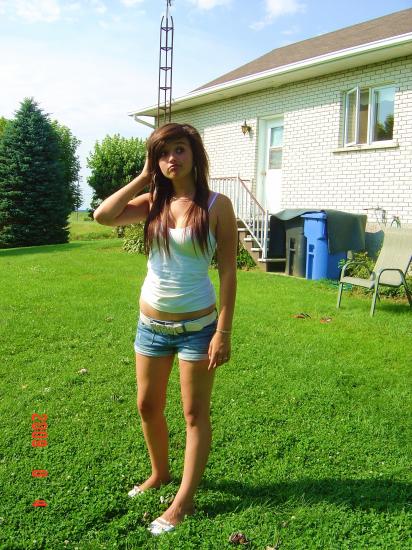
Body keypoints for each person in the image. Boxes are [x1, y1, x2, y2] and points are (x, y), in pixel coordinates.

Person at [93, 123, 237, 535]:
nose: (172, 158)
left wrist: (223, 332)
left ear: (194, 154)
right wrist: (143, 176)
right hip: (151, 327)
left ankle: (184, 502)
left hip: (198, 328)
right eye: (163, 153)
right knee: (147, 406)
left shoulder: (217, 205)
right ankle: (159, 473)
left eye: (179, 149)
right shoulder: (153, 203)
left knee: (194, 413)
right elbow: (103, 216)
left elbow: (228, 272)